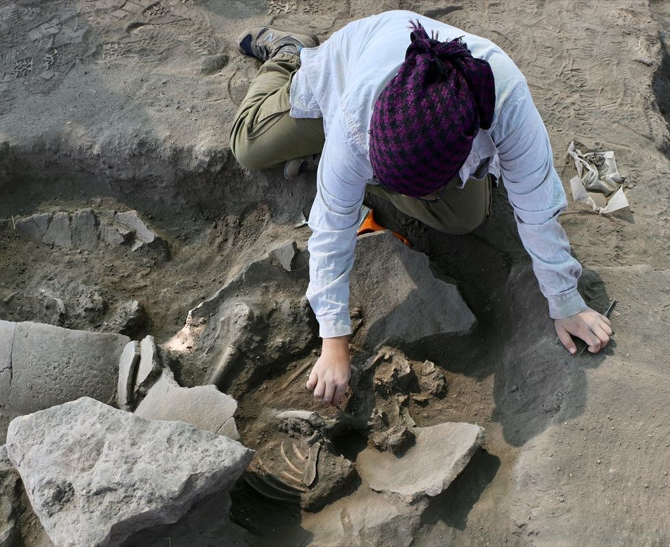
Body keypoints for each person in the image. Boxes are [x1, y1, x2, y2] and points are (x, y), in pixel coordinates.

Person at [230, 10, 613, 406]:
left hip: (427, 140)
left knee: (463, 218)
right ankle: (289, 52)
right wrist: (334, 340)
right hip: (347, 68)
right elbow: (331, 224)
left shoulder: (508, 101)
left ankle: (374, 174)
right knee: (248, 146)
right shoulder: (354, 117)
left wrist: (566, 301)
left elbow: (536, 206)